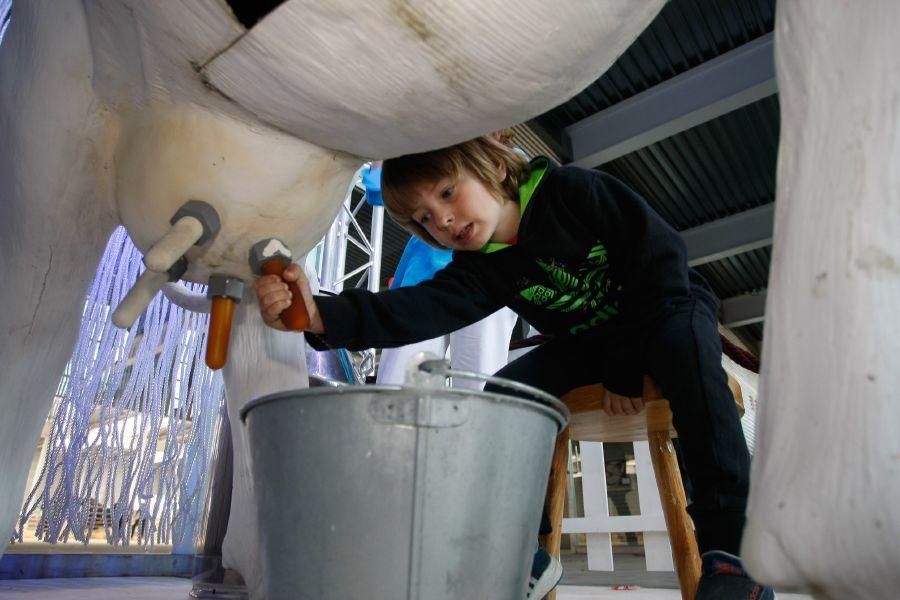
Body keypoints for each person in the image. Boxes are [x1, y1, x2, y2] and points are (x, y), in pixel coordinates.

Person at [255, 135, 773, 600]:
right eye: (422, 219)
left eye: (446, 193)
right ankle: (519, 555)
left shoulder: (573, 191)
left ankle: (732, 556)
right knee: (504, 397)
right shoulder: (482, 270)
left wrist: (623, 366)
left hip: (667, 306)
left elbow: (661, 258)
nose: (442, 220)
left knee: (684, 340)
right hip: (589, 340)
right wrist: (319, 313)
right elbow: (412, 311)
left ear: (492, 166)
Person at [362, 161, 519, 391]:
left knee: (480, 389)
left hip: (488, 282)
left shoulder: (485, 154)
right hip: (425, 278)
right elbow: (377, 189)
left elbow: (513, 168)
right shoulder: (425, 154)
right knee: (397, 393)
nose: (443, 218)